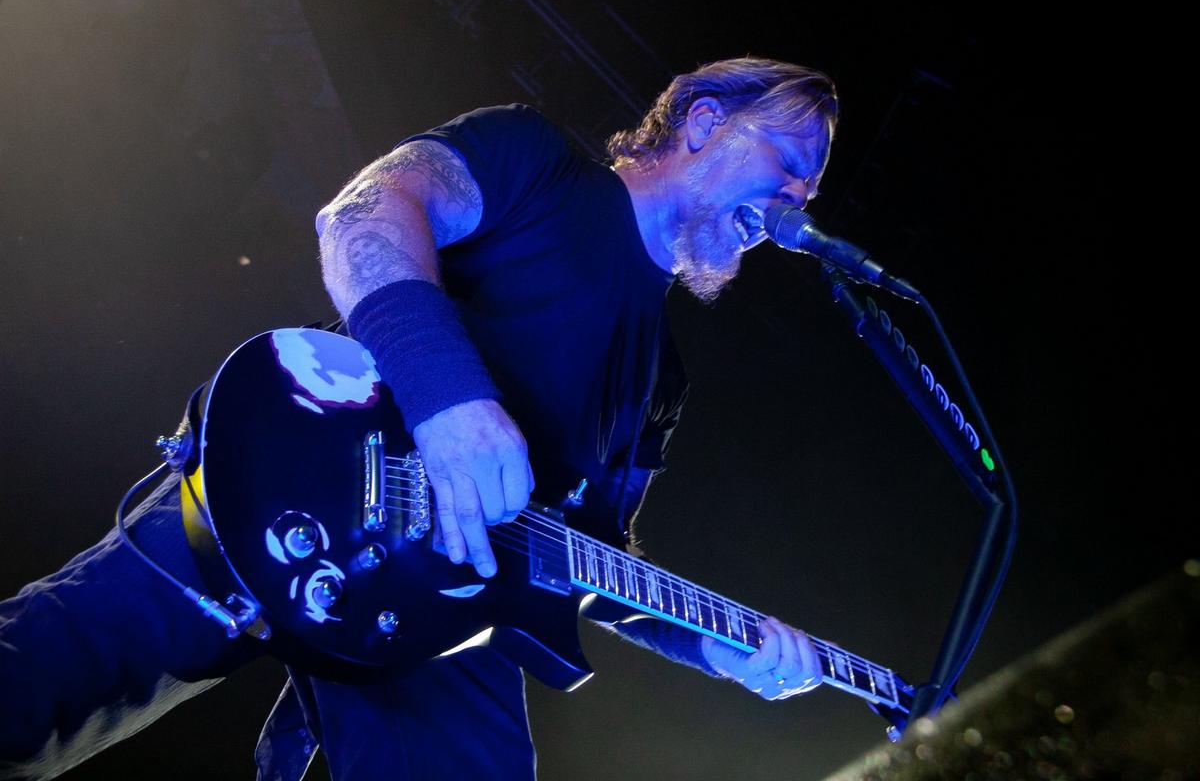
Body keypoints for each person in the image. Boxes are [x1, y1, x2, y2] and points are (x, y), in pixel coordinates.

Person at [0, 57, 836, 780]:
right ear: (703, 122)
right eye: (790, 162)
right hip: (298, 469)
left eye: (811, 189)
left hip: (449, 615)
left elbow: (593, 559)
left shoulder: (663, 381)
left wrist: (712, 646)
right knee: (28, 691)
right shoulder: (536, 161)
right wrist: (449, 403)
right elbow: (363, 214)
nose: (797, 199)